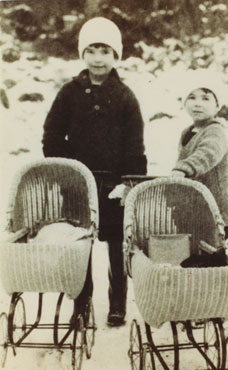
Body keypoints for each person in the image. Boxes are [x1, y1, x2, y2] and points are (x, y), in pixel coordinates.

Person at [42, 17, 147, 326]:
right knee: (80, 242)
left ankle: (117, 304)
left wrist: (130, 182)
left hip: (114, 182)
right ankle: (82, 302)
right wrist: (66, 169)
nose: (98, 58)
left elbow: (135, 144)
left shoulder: (125, 96)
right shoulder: (69, 93)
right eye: (91, 50)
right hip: (78, 181)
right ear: (82, 54)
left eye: (105, 51)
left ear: (116, 56)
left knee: (117, 242)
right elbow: (51, 135)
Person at [171, 69, 228, 241]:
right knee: (188, 256)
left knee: (210, 259)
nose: (197, 104)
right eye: (191, 97)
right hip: (191, 210)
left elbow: (208, 153)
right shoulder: (187, 132)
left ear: (217, 105)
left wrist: (184, 168)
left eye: (205, 98)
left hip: (215, 212)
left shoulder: (215, 131)